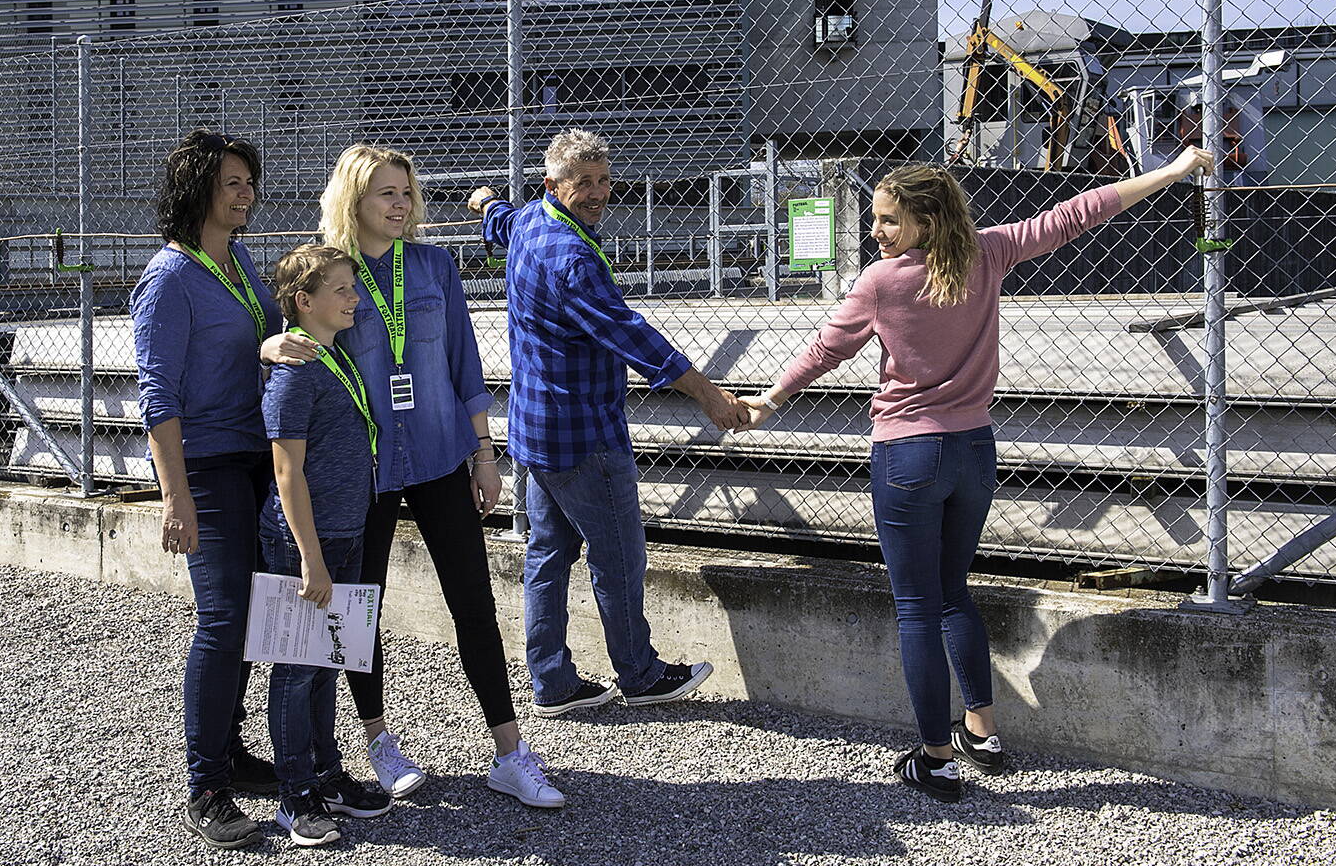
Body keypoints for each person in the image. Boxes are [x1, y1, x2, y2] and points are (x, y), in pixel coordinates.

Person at [734, 145, 1215, 803]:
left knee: (916, 606)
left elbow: (826, 349)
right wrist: (1173, 172)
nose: (875, 232)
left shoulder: (882, 283)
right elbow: (1077, 214)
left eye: (888, 222)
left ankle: (935, 760)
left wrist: (771, 398)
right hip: (973, 451)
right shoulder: (988, 253)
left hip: (908, 456)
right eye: (876, 220)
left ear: (926, 222)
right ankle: (982, 733)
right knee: (952, 590)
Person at [321, 143, 565, 809]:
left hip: (437, 456)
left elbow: (463, 362)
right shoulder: (330, 275)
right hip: (362, 468)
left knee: (473, 604)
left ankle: (510, 753)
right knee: (357, 605)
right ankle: (378, 743)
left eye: (406, 192)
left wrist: (485, 454)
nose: (401, 205)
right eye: (386, 193)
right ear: (354, 201)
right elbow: (305, 355)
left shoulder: (432, 266)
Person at [470, 128, 743, 720]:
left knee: (546, 552)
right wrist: (708, 393)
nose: (597, 193)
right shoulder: (571, 258)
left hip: (535, 430)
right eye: (583, 183)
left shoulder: (530, 223)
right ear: (553, 185)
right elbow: (632, 336)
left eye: (602, 179)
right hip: (582, 433)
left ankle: (551, 680)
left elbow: (499, 219)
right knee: (618, 553)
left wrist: (483, 201)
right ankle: (640, 674)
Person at [131, 128, 319, 849]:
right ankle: (205, 786)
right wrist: (173, 496)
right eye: (234, 182)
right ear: (199, 188)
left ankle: (234, 755)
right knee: (222, 618)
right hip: (205, 468)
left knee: (248, 618)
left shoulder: (236, 264)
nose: (247, 193)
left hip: (251, 460)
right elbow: (159, 397)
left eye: (250, 182)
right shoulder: (169, 278)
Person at [260, 244, 394, 847]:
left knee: (327, 665)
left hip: (345, 533)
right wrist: (310, 557)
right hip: (305, 545)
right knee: (296, 669)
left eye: (353, 287)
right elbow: (287, 474)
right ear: (303, 302)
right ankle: (295, 797)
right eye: (340, 289)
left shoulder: (331, 360)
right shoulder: (294, 374)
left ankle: (328, 774)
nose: (354, 298)